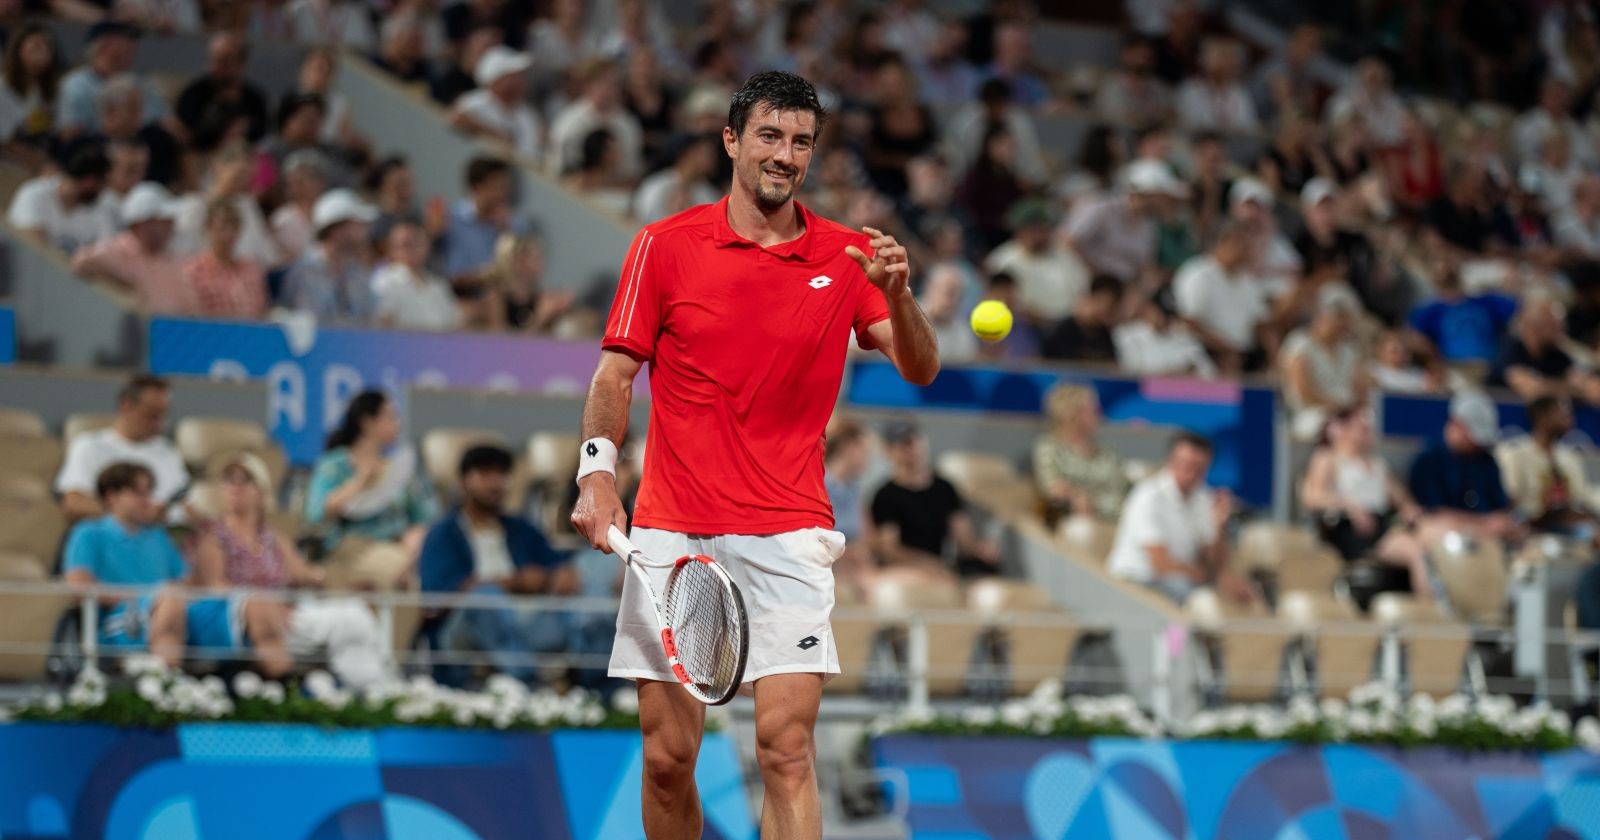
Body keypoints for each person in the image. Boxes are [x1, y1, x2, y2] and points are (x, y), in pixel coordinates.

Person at [569, 72, 940, 840]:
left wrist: (900, 296)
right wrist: (597, 474)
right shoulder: (663, 245)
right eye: (770, 135)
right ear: (732, 140)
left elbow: (921, 366)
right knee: (668, 758)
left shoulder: (847, 255)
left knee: (787, 750)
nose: (785, 154)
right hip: (673, 531)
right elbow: (614, 374)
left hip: (788, 532)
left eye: (802, 142)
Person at [191, 451, 397, 686]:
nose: (235, 487)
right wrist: (261, 604)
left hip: (289, 613)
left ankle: (377, 684)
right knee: (350, 622)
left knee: (356, 612)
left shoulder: (272, 538)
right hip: (245, 620)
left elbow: (306, 574)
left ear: (261, 491)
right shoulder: (214, 537)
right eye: (229, 480)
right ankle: (374, 686)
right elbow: (215, 586)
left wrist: (343, 585)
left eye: (244, 480)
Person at [420, 445, 600, 687]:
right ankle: (527, 684)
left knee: (581, 599)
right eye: (485, 474)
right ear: (463, 481)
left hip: (523, 623)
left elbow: (558, 565)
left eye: (502, 474)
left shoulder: (521, 529)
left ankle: (599, 688)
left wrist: (560, 575)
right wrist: (513, 583)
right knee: (485, 598)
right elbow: (436, 599)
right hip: (463, 630)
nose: (495, 483)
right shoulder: (443, 534)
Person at [64, 462, 272, 671]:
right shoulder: (89, 533)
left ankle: (272, 682)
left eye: (148, 492)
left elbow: (188, 582)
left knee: (254, 604)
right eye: (138, 493)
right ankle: (168, 683)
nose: (147, 500)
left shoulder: (158, 536)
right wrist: (151, 597)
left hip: (174, 609)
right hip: (119, 621)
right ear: (112, 497)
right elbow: (79, 588)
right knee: (171, 600)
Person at [1107, 431, 1256, 606]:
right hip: (1136, 579)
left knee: (1234, 593)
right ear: (1170, 461)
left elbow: (1212, 561)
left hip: (1180, 580)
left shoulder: (1203, 498)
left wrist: (1219, 525)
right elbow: (1160, 564)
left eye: (1199, 469)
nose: (1191, 474)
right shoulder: (1148, 497)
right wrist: (1209, 577)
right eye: (1185, 465)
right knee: (1191, 592)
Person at [1300, 409, 1431, 599]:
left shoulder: (1377, 464)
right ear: (1343, 428)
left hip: (1381, 524)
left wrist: (1413, 513)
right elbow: (1313, 497)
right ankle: (1427, 605)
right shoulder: (1328, 458)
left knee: (1429, 544)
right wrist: (1350, 507)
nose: (1367, 432)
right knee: (1416, 552)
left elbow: (1401, 498)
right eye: (1361, 428)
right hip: (1351, 529)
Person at [306, 391, 435, 577]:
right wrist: (359, 481)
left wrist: (416, 535)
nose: (397, 423)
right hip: (354, 546)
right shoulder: (334, 465)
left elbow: (423, 515)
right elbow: (316, 513)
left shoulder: (397, 468)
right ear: (367, 422)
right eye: (390, 416)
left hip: (398, 544)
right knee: (404, 569)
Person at [870, 421, 1000, 581]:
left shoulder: (945, 488)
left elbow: (963, 540)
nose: (910, 448)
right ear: (889, 451)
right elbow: (891, 551)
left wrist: (980, 550)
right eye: (902, 444)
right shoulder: (886, 495)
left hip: (941, 567)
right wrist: (928, 564)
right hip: (908, 570)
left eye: (913, 441)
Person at [55, 374, 188, 521]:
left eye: (165, 415)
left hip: (168, 531)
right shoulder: (90, 447)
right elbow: (74, 503)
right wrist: (133, 515)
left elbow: (184, 501)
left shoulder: (168, 451)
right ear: (126, 405)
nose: (160, 424)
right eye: (152, 415)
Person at [1407, 391, 1518, 541]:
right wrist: (1484, 524)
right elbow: (1433, 513)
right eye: (1473, 436)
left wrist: (1505, 521)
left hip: (1493, 539)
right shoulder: (1428, 462)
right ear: (1456, 425)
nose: (1477, 444)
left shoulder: (1487, 461)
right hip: (1448, 539)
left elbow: (1500, 506)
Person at [72, 181, 193, 314]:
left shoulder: (173, 259)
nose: (172, 226)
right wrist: (125, 287)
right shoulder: (116, 249)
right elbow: (82, 263)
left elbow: (189, 309)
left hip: (167, 325)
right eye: (165, 220)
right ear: (145, 224)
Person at [1173, 219, 1273, 373]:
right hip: (1203, 353)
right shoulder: (1197, 274)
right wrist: (1225, 349)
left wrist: (1274, 358)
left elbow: (1261, 325)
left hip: (1244, 356)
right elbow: (1189, 322)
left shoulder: (1247, 281)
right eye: (1242, 244)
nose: (1246, 250)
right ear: (1225, 242)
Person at [1032, 384, 1129, 524]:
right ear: (1073, 415)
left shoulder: (1106, 454)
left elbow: (1123, 489)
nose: (1100, 415)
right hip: (1075, 523)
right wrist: (1075, 496)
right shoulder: (1049, 448)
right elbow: (1053, 489)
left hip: (1119, 521)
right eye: (1094, 410)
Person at [1495, 395, 1592, 534]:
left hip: (1567, 530)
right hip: (1528, 531)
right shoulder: (1515, 454)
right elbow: (1509, 502)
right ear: (1542, 417)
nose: (1569, 418)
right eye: (1562, 411)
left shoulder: (1570, 457)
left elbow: (1580, 501)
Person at [983, 197, 1089, 324]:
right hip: (1026, 325)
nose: (1039, 235)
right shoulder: (1001, 260)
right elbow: (1006, 302)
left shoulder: (1063, 253)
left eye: (1042, 228)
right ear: (1019, 230)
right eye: (1032, 229)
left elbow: (1083, 289)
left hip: (1071, 323)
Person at [55, 22, 170, 139]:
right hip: (98, 145)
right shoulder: (75, 84)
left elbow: (169, 124)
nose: (133, 45)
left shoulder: (140, 83)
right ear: (104, 45)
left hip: (143, 144)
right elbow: (69, 135)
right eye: (125, 39)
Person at [1281, 288, 1367, 441]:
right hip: (1310, 412)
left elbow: (1360, 388)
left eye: (1344, 320)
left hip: (1348, 411)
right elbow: (1302, 390)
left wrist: (1351, 408)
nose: (1341, 325)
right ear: (1321, 318)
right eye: (1337, 319)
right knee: (1333, 427)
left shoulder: (1349, 350)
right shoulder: (1299, 344)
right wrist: (1332, 406)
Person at [282, 188, 377, 322]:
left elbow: (369, 319)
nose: (364, 231)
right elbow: (305, 323)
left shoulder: (358, 273)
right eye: (357, 224)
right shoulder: (304, 272)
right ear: (336, 229)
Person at [548, 58, 644, 180]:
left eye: (615, 84)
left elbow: (632, 174)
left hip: (618, 189)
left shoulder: (628, 124)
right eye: (604, 83)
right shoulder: (569, 123)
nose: (612, 89)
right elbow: (558, 173)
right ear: (588, 85)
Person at [7, 143, 115, 252]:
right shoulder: (34, 193)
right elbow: (30, 244)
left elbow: (108, 252)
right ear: (90, 181)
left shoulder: (100, 210)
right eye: (102, 185)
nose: (103, 191)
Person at [174, 31, 269, 144]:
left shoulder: (256, 101)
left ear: (241, 65)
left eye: (224, 62)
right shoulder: (194, 94)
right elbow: (186, 134)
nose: (214, 68)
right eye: (213, 60)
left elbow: (260, 136)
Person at [440, 156, 525, 281]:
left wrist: (506, 234)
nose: (503, 194)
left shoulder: (515, 226)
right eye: (497, 187)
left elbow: (521, 274)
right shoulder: (450, 219)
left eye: (505, 187)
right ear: (477, 187)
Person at [450, 45, 541, 161]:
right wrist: (495, 135)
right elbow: (457, 120)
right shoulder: (473, 102)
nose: (521, 80)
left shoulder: (528, 115)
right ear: (497, 80)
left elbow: (531, 155)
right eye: (514, 75)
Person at [183, 198, 268, 319]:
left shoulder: (252, 270)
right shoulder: (194, 270)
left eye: (234, 226)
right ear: (208, 228)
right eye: (223, 226)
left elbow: (262, 310)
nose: (229, 233)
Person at [372, 221, 464, 331]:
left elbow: (453, 322)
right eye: (405, 244)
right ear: (391, 249)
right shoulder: (384, 281)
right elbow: (381, 322)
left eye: (417, 243)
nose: (412, 250)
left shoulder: (438, 285)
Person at [0, 23, 61, 159]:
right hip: (8, 159)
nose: (44, 52)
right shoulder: (3, 88)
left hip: (41, 149)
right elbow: (5, 142)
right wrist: (41, 165)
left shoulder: (49, 87)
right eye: (36, 46)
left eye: (48, 47)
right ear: (18, 50)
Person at [633, 132, 719, 223]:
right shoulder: (656, 186)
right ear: (687, 154)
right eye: (706, 154)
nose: (713, 160)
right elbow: (640, 221)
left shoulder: (708, 192)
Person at [1042, 274, 1122, 363]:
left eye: (1110, 306)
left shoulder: (1105, 334)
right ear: (1087, 298)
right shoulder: (1062, 331)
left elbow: (1111, 364)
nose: (1103, 309)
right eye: (1100, 301)